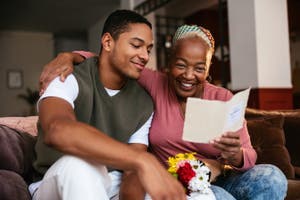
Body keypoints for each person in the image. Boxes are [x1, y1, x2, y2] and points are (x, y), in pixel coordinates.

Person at [39, 25, 288, 199]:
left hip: (219, 175)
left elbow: (249, 158)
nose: (189, 75)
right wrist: (69, 55)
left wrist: (235, 156)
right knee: (216, 198)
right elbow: (111, 59)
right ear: (168, 64)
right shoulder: (155, 83)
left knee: (273, 177)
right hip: (181, 182)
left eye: (199, 68)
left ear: (209, 67)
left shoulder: (223, 98)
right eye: (181, 65)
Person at [31, 9, 187, 200]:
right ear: (107, 42)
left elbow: (132, 172)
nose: (145, 56)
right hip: (58, 179)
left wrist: (138, 176)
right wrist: (142, 160)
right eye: (136, 45)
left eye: (148, 49)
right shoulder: (66, 77)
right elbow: (57, 130)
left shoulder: (144, 103)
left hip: (113, 185)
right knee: (80, 166)